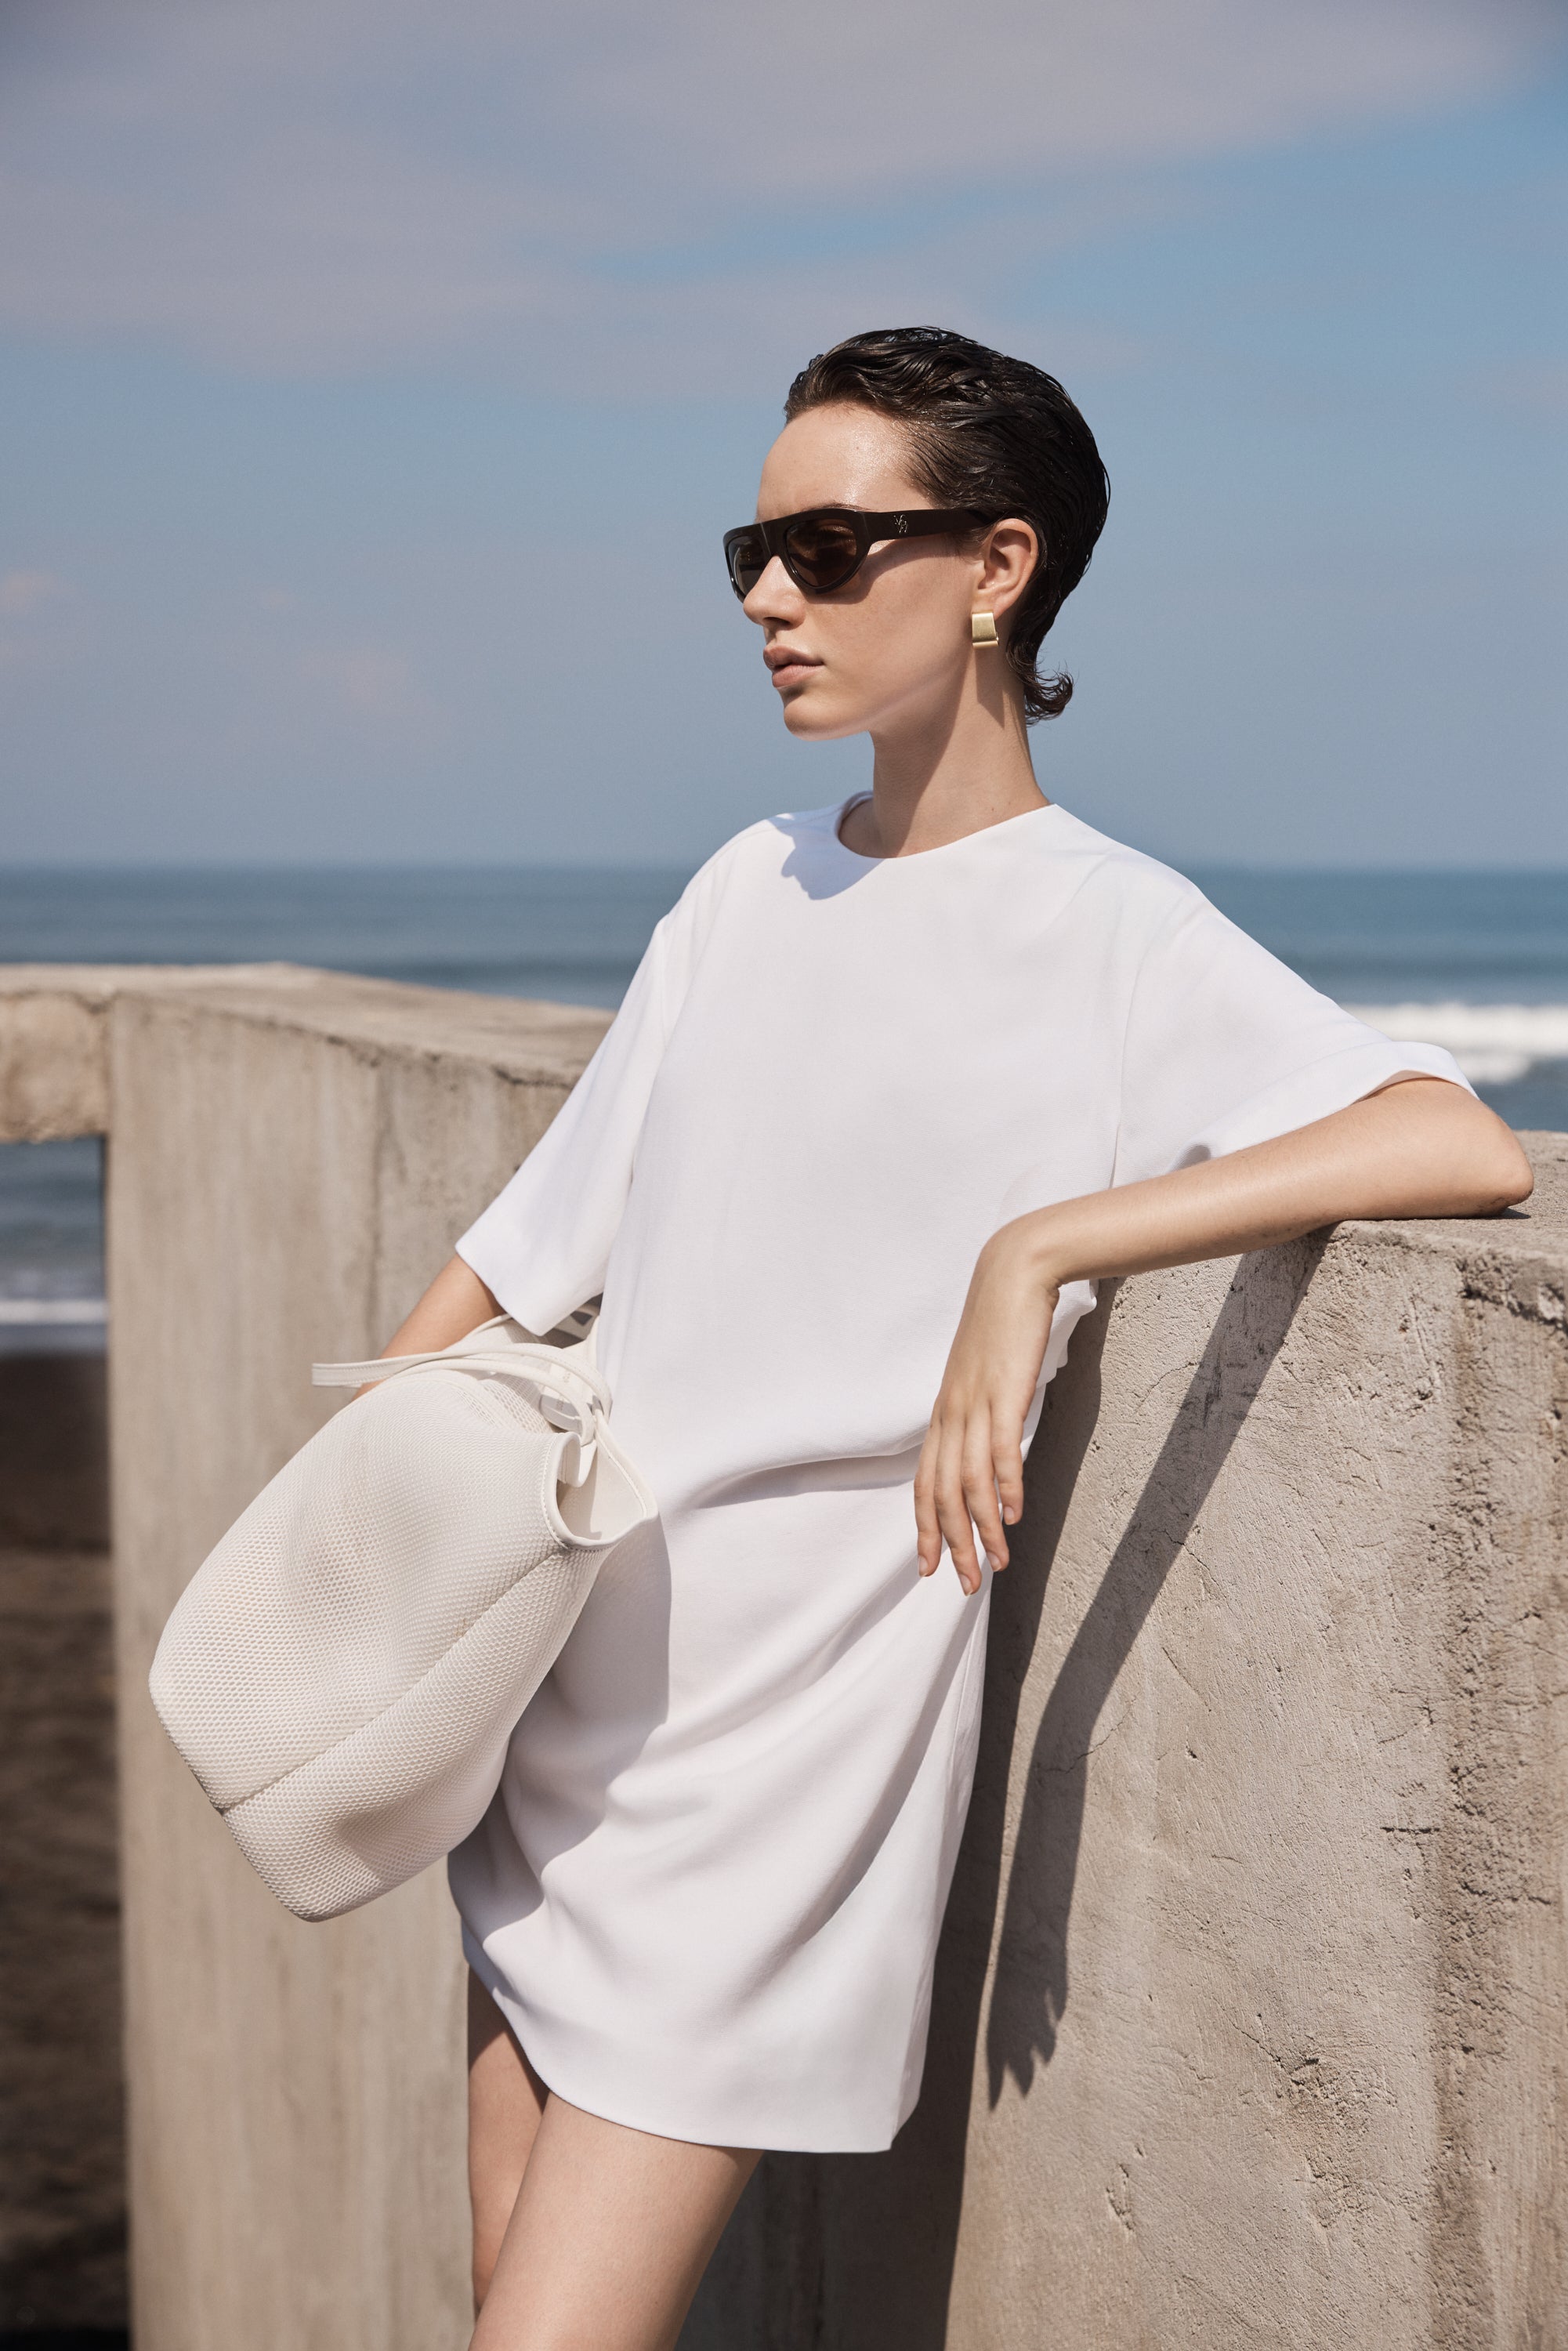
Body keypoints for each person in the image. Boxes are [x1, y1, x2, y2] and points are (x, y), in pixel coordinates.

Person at [377, 327, 1534, 2351]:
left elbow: (1452, 1140)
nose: (768, 596)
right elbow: (531, 1237)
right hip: (568, 1702)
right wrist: (369, 1534)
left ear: (999, 566)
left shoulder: (1111, 929)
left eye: (827, 549)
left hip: (785, 1753)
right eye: (753, 549)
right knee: (505, 2300)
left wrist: (1041, 1248)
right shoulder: (741, 888)